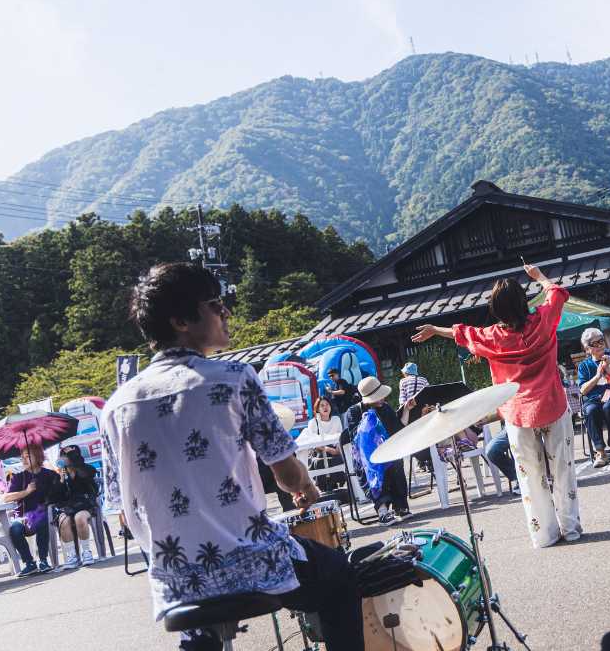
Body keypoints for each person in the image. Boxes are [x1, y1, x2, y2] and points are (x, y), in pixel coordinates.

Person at [101, 263, 362, 651]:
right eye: (214, 304)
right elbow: (287, 476)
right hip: (250, 558)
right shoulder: (233, 378)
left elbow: (122, 509)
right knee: (339, 575)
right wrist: (307, 488)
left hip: (176, 581)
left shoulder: (115, 407)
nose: (225, 312)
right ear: (180, 321)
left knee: (200, 627)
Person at [412, 264, 581, 548]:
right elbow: (557, 293)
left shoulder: (493, 337)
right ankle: (571, 529)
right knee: (563, 469)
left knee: (530, 476)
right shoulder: (543, 319)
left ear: (496, 310)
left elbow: (463, 333)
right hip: (552, 403)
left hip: (518, 412)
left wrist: (434, 329)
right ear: (524, 302)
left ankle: (544, 535)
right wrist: (538, 276)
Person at [350, 376, 410, 525]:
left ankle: (400, 506)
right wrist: (368, 424)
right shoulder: (354, 412)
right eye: (378, 396)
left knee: (396, 461)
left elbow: (398, 430)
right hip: (366, 458)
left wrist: (407, 409)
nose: (382, 398)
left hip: (387, 451)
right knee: (374, 468)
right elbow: (356, 441)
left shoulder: (386, 408)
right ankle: (382, 511)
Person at [3, 444, 57, 577]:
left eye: (27, 456)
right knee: (15, 529)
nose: (24, 460)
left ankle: (43, 560)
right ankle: (29, 563)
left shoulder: (49, 475)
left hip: (44, 514)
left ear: (38, 456)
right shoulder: (19, 477)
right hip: (24, 516)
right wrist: (26, 491)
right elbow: (6, 498)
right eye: (22, 457)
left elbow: (59, 494)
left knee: (43, 519)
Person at [577, 327, 610, 467]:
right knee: (590, 410)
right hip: (594, 398)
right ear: (587, 349)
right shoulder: (584, 365)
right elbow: (583, 390)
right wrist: (598, 375)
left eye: (601, 341)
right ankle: (600, 451)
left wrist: (609, 369)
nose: (599, 345)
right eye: (594, 344)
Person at [49, 446, 100, 569]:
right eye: (61, 456)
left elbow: (89, 479)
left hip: (85, 504)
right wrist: (61, 481)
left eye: (65, 456)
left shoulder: (84, 469)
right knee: (63, 521)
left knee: (79, 518)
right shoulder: (61, 474)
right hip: (69, 507)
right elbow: (55, 497)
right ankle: (72, 556)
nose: (62, 458)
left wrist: (74, 460)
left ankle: (86, 552)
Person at [301, 396, 346, 491]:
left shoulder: (336, 419)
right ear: (317, 409)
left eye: (327, 405)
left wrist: (337, 450)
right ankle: (324, 486)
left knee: (340, 458)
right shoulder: (313, 422)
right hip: (319, 451)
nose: (325, 407)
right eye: (322, 405)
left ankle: (337, 483)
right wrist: (329, 449)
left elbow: (340, 437)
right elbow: (313, 443)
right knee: (321, 459)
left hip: (335, 450)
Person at [483, 421, 519, 492]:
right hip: (510, 425)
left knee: (516, 441)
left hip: (533, 424)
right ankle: (518, 478)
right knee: (491, 450)